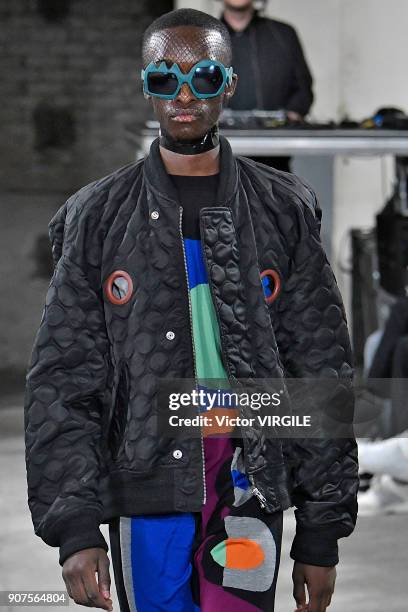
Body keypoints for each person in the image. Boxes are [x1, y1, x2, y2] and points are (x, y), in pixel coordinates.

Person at [24, 8, 358, 612]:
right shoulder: (96, 218)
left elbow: (320, 370)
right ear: (145, 85)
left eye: (203, 78)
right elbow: (63, 379)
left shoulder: (284, 211)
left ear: (228, 86)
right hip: (146, 484)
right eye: (163, 78)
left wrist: (322, 529)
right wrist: (73, 526)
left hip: (248, 482)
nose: (183, 96)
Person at [220, 0, 314, 172]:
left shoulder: (283, 34)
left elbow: (303, 88)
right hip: (215, 159)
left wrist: (291, 115)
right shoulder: (201, 36)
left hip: (274, 163)